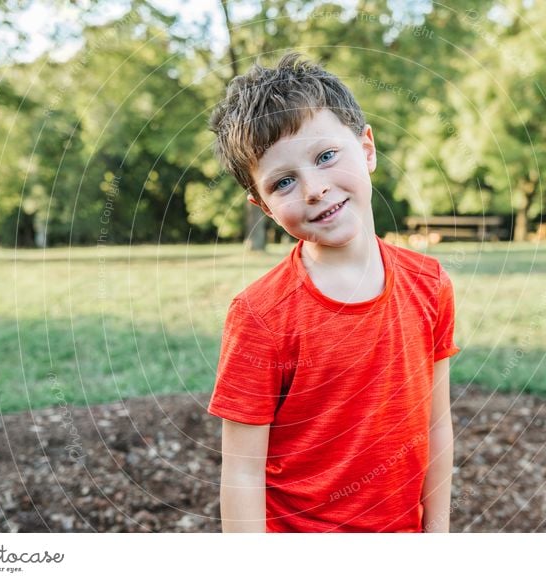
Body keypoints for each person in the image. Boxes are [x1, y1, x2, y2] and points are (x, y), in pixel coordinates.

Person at [207, 53, 460, 533]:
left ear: (366, 149)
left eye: (325, 157)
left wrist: (438, 537)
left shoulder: (431, 285)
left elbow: (436, 426)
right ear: (262, 206)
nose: (315, 189)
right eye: (284, 182)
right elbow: (241, 470)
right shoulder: (260, 315)